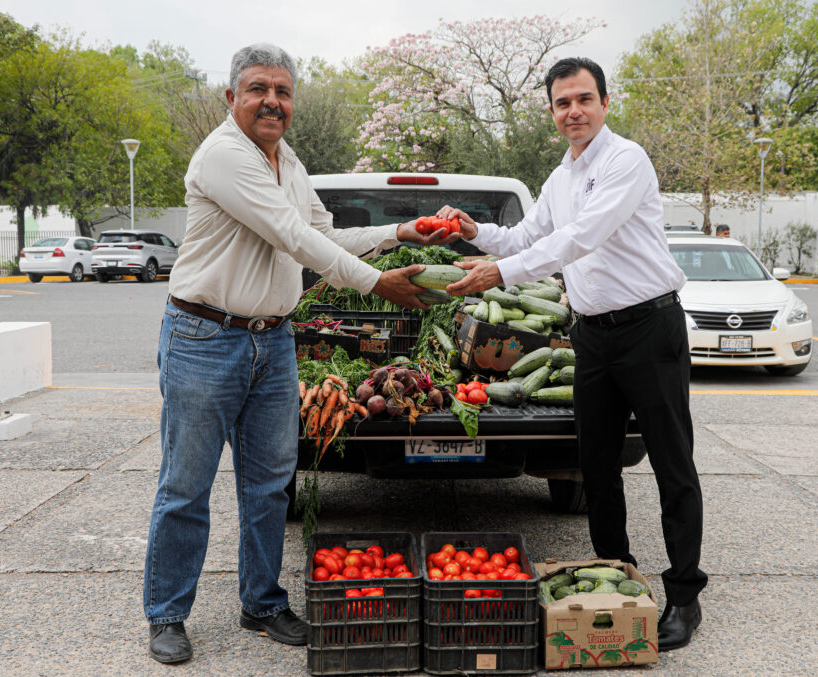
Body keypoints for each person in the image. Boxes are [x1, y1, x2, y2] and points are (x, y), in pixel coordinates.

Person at [143, 43, 458, 664]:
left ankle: (261, 603)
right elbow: (292, 237)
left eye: (283, 92)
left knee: (269, 487)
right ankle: (167, 614)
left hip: (273, 339)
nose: (272, 101)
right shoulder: (224, 156)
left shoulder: (287, 159)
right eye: (258, 88)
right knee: (186, 486)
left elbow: (324, 233)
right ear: (230, 97)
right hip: (206, 337)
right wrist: (377, 283)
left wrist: (400, 232)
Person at [441, 57, 706, 652]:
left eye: (584, 99)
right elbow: (526, 235)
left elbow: (584, 235)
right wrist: (473, 231)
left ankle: (685, 595)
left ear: (604, 103)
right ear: (553, 112)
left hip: (649, 328)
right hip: (592, 335)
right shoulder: (559, 179)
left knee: (671, 464)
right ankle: (618, 575)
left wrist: (500, 272)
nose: (573, 112)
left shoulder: (625, 160)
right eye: (562, 103)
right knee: (598, 464)